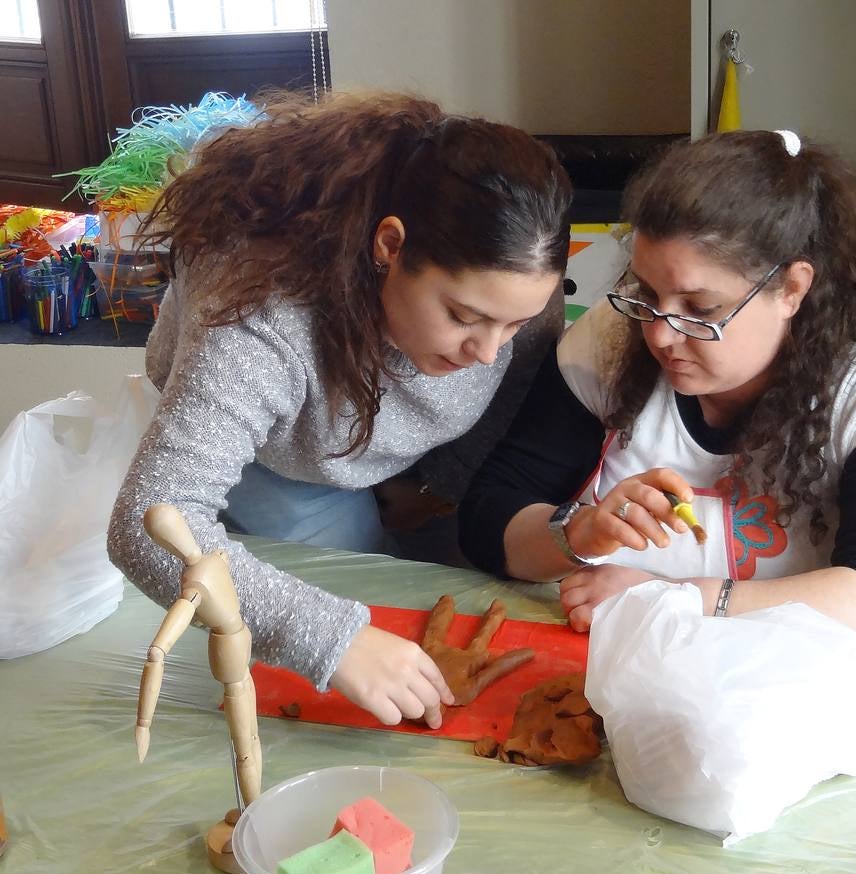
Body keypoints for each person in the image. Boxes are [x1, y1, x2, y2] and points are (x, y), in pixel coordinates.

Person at [108, 91, 573, 728]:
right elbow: (146, 526)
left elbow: (508, 392)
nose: (489, 352)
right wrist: (334, 640)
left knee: (453, 604)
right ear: (391, 245)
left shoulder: (517, 290)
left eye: (512, 326)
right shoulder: (259, 316)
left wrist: (439, 486)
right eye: (465, 317)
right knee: (342, 610)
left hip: (416, 459)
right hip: (289, 457)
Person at [459, 129, 856, 657]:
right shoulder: (613, 338)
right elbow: (489, 521)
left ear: (792, 289)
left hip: (789, 685)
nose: (660, 334)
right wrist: (577, 535)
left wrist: (675, 602)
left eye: (701, 309)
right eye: (648, 293)